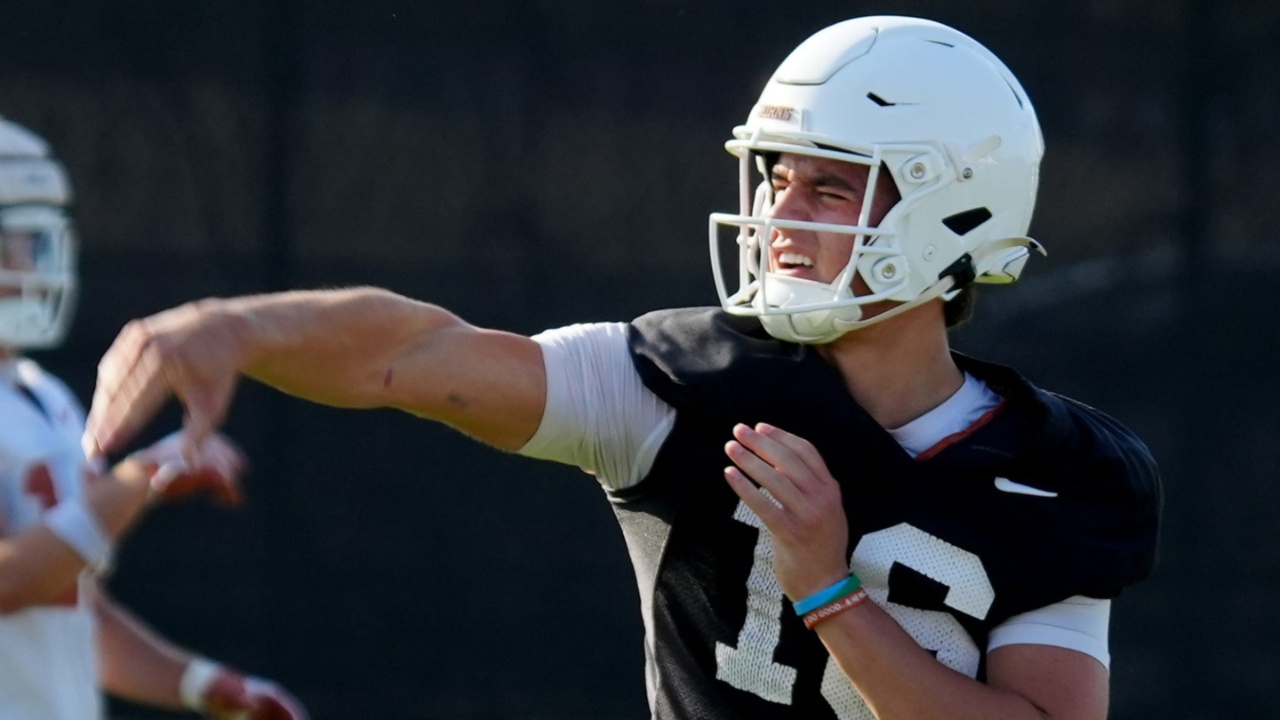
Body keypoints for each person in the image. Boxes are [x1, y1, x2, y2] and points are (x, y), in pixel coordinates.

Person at [82, 16, 1160, 720]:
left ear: (951, 209)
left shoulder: (1059, 468)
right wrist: (239, 328)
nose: (778, 216)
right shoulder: (684, 386)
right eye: (773, 179)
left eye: (828, 188)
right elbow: (416, 353)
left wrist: (830, 592)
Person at [0, 115, 309, 720]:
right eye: (15, 244)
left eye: (39, 244)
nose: (34, 268)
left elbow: (71, 607)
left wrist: (202, 684)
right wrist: (140, 480)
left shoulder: (44, 395)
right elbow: (8, 582)